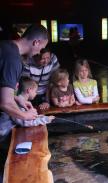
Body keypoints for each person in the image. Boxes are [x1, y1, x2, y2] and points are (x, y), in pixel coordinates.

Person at [0, 24, 48, 181]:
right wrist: (25, 115)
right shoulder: (13, 58)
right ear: (36, 42)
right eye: (41, 48)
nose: (39, 53)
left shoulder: (6, 46)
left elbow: (5, 89)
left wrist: (19, 99)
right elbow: (5, 103)